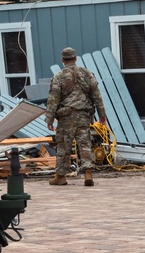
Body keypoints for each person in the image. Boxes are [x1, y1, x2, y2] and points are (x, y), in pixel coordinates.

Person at [46, 47, 107, 187]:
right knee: (85, 144)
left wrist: (49, 118)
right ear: (75, 58)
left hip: (66, 117)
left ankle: (61, 176)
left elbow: (53, 99)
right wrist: (102, 115)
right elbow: (97, 96)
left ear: (62, 60)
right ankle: (88, 173)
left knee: (63, 146)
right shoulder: (87, 74)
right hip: (84, 115)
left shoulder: (59, 76)